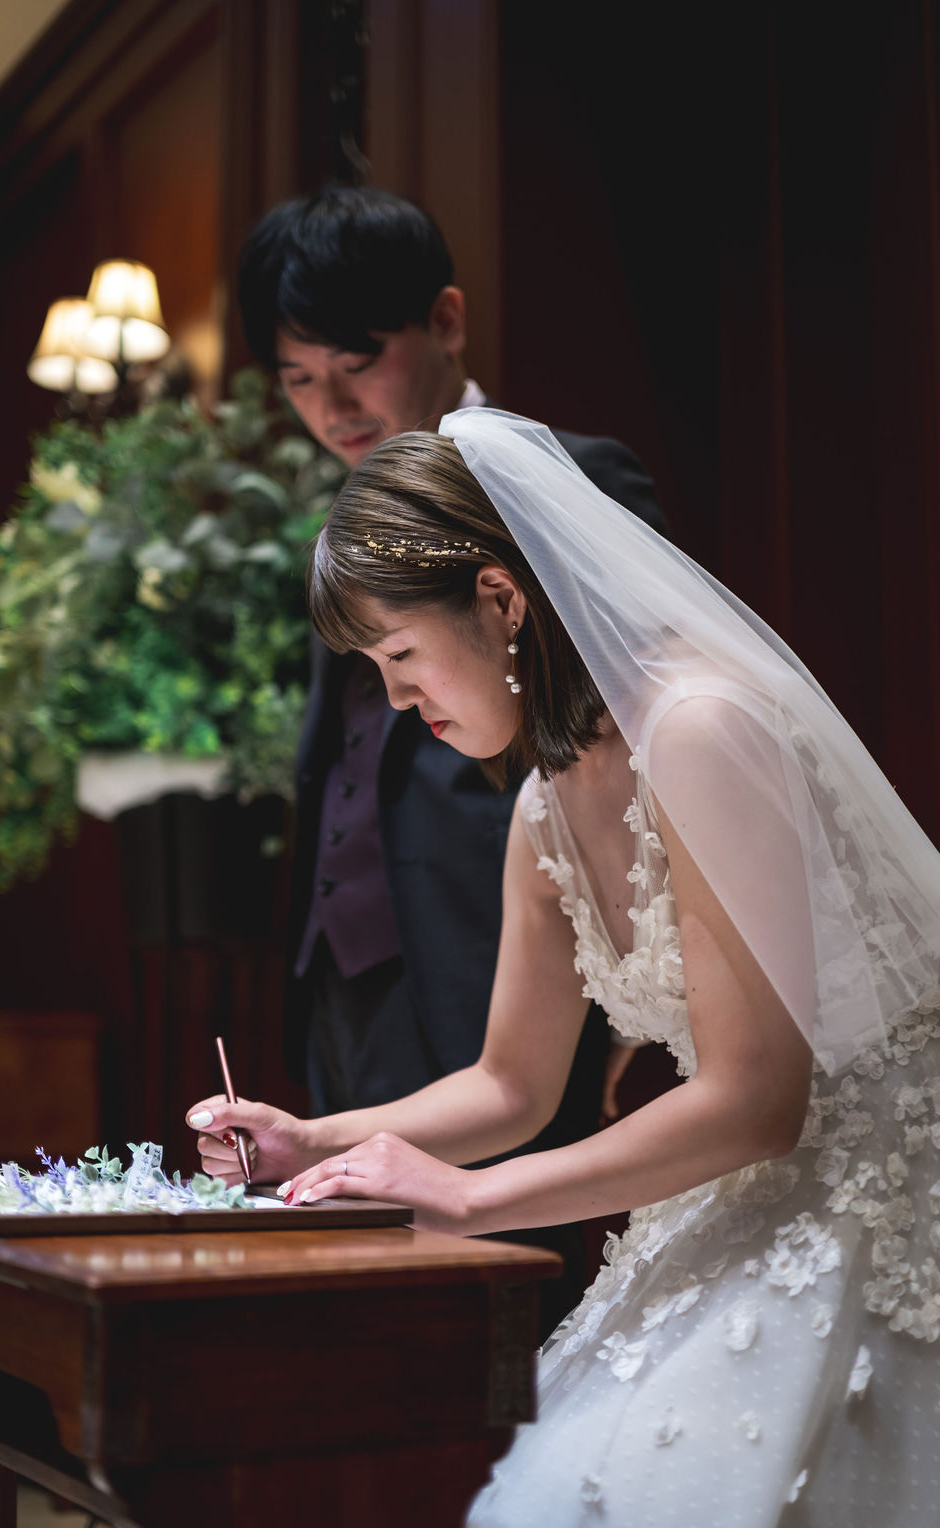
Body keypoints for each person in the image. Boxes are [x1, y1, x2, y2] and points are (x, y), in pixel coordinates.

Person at [188, 408, 940, 1525]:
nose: (395, 700)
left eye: (400, 654)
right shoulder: (543, 802)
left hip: (880, 1190)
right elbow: (512, 1082)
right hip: (757, 1179)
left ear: (500, 599)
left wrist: (467, 1197)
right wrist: (315, 1141)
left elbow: (757, 1100)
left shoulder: (699, 728)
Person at [237, 185, 667, 1330]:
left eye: (355, 362)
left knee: (503, 1322)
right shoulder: (345, 518)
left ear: (445, 321)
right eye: (296, 379)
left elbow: (639, 764)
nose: (330, 406)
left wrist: (630, 1001)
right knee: (351, 1310)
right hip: (344, 980)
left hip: (497, 973)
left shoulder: (573, 482)